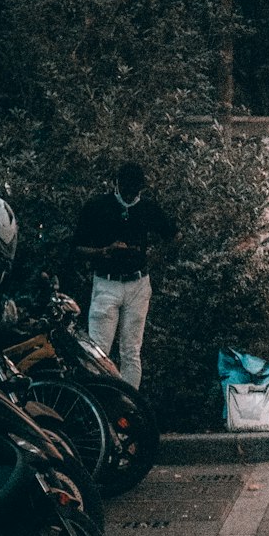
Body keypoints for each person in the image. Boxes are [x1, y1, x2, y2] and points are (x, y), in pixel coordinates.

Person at [73, 162, 176, 390]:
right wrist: (104, 252)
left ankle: (129, 407)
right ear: (116, 185)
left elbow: (172, 235)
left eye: (135, 192)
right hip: (106, 282)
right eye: (127, 192)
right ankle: (101, 404)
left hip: (138, 282)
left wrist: (154, 258)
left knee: (131, 350)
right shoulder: (97, 207)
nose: (130, 197)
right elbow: (76, 247)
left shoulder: (148, 208)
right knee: (98, 351)